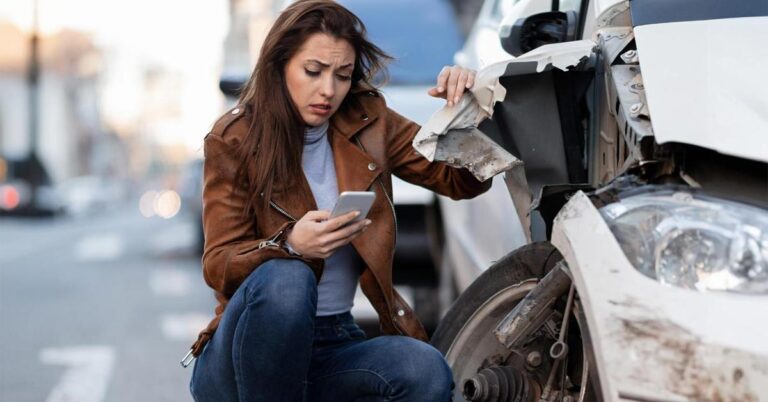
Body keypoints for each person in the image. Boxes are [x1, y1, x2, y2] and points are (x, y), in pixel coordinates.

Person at [187, 1, 491, 401]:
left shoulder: (369, 120)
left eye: (343, 75)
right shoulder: (235, 137)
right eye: (313, 72)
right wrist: (291, 245)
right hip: (243, 354)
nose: (328, 90)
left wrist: (463, 112)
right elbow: (218, 263)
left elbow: (460, 182)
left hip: (333, 341)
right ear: (280, 66)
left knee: (424, 368)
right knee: (288, 279)